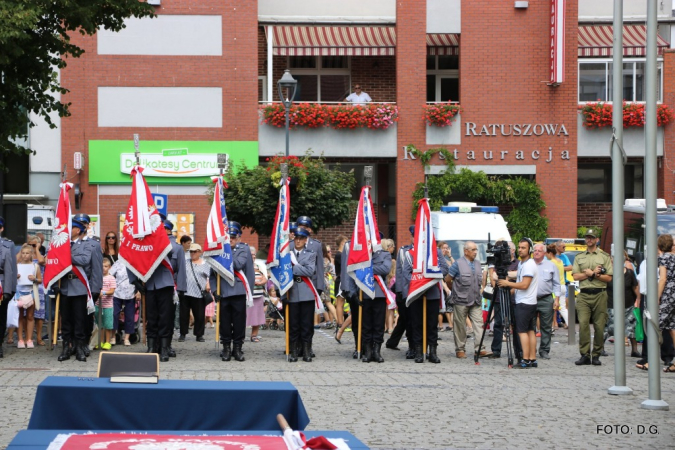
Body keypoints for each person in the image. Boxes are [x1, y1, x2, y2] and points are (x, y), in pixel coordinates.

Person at [128, 218, 187, 362]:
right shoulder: (145, 244)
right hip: (149, 284)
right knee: (151, 318)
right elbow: (131, 257)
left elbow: (181, 270)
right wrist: (135, 281)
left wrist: (181, 289)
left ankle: (165, 347)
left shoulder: (175, 247)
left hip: (166, 285)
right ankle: (152, 346)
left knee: (166, 318)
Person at [55, 216, 98, 362]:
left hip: (80, 287)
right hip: (65, 286)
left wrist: (65, 255)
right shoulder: (61, 244)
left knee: (80, 320)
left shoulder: (85, 244)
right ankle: (67, 347)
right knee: (66, 321)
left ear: (77, 230)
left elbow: (85, 260)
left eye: (70, 227)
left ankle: (80, 347)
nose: (67, 230)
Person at [213, 221, 254, 362]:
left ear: (238, 238)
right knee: (224, 322)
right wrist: (214, 290)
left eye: (233, 237)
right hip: (223, 290)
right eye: (227, 237)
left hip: (238, 291)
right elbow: (213, 274)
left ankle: (237, 348)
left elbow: (238, 265)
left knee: (238, 322)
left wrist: (249, 292)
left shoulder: (243, 249)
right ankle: (226, 348)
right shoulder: (218, 251)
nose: (230, 239)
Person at [572, 229, 613, 366]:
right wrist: (590, 273)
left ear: (597, 240)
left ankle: (596, 354)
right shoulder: (579, 257)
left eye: (592, 238)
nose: (589, 240)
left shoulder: (604, 256)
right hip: (584, 294)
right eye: (587, 237)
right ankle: (584, 354)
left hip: (600, 293)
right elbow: (576, 276)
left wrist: (595, 275)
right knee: (583, 324)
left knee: (599, 327)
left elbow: (608, 278)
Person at [498, 238, 539, 369]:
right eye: (519, 247)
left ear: (530, 250)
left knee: (522, 331)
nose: (520, 250)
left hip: (524, 303)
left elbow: (525, 284)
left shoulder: (528, 265)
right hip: (529, 302)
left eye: (523, 248)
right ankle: (532, 359)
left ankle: (525, 359)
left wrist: (507, 283)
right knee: (530, 331)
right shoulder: (523, 263)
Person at [447, 241, 490, 360]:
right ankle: (460, 349)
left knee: (479, 324)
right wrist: (454, 290)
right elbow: (448, 279)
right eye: (473, 250)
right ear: (466, 251)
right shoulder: (457, 264)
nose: (476, 252)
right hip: (461, 300)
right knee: (460, 326)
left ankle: (480, 348)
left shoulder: (477, 263)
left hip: (476, 300)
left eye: (476, 250)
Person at [359, 239, 392, 363]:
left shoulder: (385, 254)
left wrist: (366, 268)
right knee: (366, 325)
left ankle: (376, 351)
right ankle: (367, 351)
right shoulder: (362, 254)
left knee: (378, 325)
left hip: (379, 294)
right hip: (364, 292)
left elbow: (385, 269)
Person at [287, 228, 317, 362]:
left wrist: (293, 268)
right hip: (291, 292)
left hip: (307, 292)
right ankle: (293, 351)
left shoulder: (311, 253)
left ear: (306, 240)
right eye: (296, 238)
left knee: (306, 324)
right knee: (293, 324)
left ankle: (306, 351)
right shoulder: (286, 254)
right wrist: (301, 268)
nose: (298, 241)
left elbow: (310, 271)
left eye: (301, 238)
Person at [489, 241, 523, 361]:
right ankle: (496, 350)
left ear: (512, 250)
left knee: (514, 324)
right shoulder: (498, 263)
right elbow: (493, 277)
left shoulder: (518, 263)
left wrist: (507, 280)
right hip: (499, 297)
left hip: (513, 298)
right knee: (498, 324)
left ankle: (518, 352)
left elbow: (519, 278)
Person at [385, 226, 415, 358]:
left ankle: (392, 342)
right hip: (403, 292)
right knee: (408, 321)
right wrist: (401, 293)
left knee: (405, 320)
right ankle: (412, 346)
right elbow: (401, 274)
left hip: (412, 292)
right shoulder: (404, 251)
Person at [605, 254, 639, 357]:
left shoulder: (629, 273)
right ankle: (600, 348)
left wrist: (638, 300)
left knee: (631, 327)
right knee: (608, 327)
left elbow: (635, 287)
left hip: (628, 304)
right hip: (611, 304)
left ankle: (634, 350)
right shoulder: (608, 274)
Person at [532, 243, 561, 360]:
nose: (537, 252)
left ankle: (544, 350)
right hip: (531, 298)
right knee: (530, 326)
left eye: (539, 250)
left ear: (544, 253)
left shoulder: (551, 265)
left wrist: (557, 299)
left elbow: (556, 284)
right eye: (535, 250)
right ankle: (531, 349)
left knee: (546, 327)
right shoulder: (528, 264)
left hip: (546, 298)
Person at [180, 243, 211, 343]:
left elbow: (210, 277)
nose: (192, 253)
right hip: (185, 292)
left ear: (199, 252)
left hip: (199, 293)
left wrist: (208, 284)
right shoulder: (185, 262)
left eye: (194, 251)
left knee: (199, 315)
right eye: (191, 251)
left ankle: (199, 334)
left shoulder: (205, 264)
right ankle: (182, 333)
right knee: (184, 315)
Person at [15, 244, 41, 349]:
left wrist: (34, 279)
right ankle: (20, 339)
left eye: (27, 253)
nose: (25, 255)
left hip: (31, 292)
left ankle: (29, 339)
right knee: (20, 316)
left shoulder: (35, 266)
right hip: (18, 292)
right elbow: (11, 279)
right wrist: (15, 277)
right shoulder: (17, 266)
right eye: (23, 253)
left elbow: (40, 280)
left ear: (31, 254)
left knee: (30, 316)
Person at [109, 258, 138, 346]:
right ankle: (113, 336)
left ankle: (126, 338)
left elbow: (140, 277)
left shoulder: (135, 262)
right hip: (117, 292)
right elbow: (110, 274)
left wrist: (139, 291)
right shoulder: (118, 262)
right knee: (114, 314)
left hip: (130, 292)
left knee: (129, 315)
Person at [658, 234, 675, 373]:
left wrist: (657, 297)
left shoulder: (663, 258)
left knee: (656, 325)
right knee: (672, 327)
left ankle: (650, 360)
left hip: (669, 293)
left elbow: (663, 279)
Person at [27, 235, 46, 346]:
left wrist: (37, 249)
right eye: (30, 244)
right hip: (26, 286)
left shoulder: (41, 255)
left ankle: (39, 337)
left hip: (39, 286)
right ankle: (28, 337)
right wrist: (26, 248)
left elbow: (41, 261)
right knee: (26, 313)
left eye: (33, 245)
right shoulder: (25, 255)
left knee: (39, 313)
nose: (31, 247)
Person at [96, 258, 116, 350]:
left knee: (107, 325)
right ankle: (100, 341)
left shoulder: (111, 278)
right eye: (102, 266)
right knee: (99, 324)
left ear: (109, 267)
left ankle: (107, 342)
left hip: (108, 306)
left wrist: (103, 293)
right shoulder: (97, 277)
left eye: (106, 266)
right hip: (98, 305)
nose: (103, 268)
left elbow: (112, 290)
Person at [248, 246, 267, 342]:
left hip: (258, 294)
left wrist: (261, 282)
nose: (254, 256)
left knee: (257, 315)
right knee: (244, 315)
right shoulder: (244, 266)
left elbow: (265, 277)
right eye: (251, 255)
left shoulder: (259, 266)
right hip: (246, 296)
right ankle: (239, 336)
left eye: (254, 254)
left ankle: (254, 335)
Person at [333, 235, 348, 329]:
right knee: (340, 302)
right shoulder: (339, 255)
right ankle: (340, 323)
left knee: (341, 302)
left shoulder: (341, 254)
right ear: (342, 243)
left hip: (342, 279)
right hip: (340, 280)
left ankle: (341, 322)